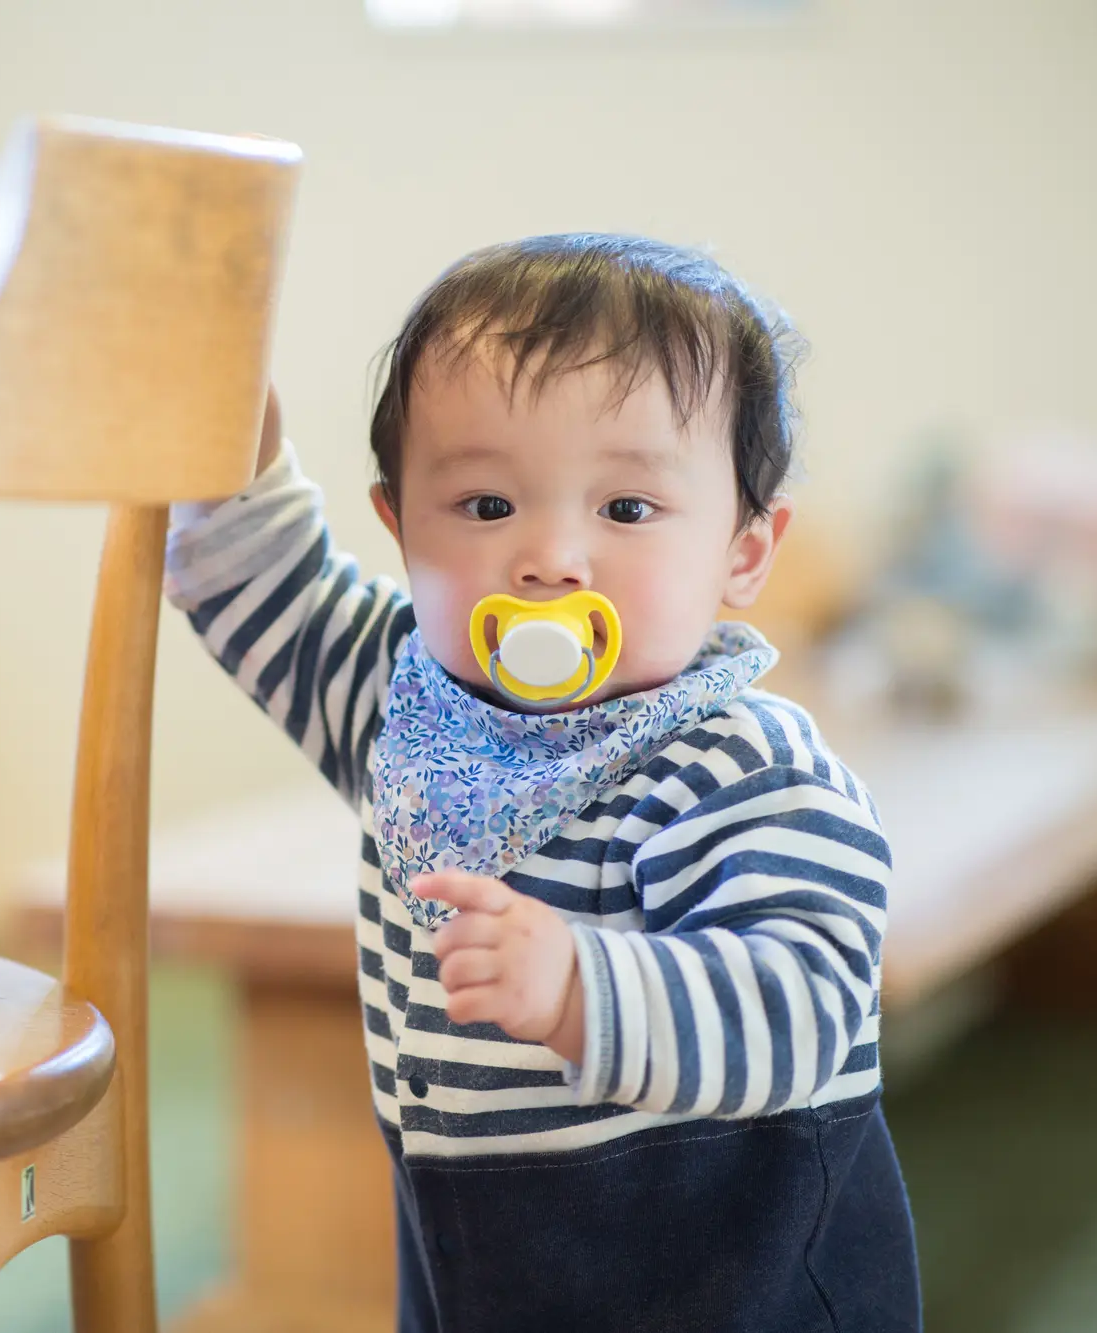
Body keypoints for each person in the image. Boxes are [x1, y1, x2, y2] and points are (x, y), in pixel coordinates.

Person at [165, 234, 920, 1332]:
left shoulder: (750, 769)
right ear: (399, 523)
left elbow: (797, 1008)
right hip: (484, 1247)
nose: (551, 558)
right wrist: (225, 446)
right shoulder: (398, 700)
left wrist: (580, 987)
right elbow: (257, 585)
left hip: (728, 1277)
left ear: (742, 552)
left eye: (624, 510)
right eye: (483, 507)